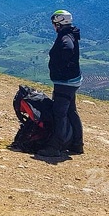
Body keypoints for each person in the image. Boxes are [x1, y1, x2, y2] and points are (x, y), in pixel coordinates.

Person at [37, 9, 84, 158]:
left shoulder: (65, 37)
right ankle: (77, 145)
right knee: (70, 111)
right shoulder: (71, 34)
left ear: (58, 22)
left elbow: (67, 48)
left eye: (54, 23)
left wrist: (61, 65)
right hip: (73, 80)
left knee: (60, 114)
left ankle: (55, 147)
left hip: (65, 82)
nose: (53, 26)